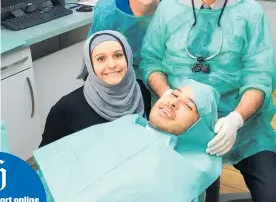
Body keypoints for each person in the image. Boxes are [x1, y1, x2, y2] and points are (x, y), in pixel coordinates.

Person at [140, 0, 276, 202]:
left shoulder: (250, 14)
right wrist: (166, 92)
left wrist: (236, 119)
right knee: (196, 194)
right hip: (181, 124)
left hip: (242, 126)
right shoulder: (168, 10)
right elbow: (151, 61)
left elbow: (259, 77)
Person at [34, 80, 222, 202]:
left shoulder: (184, 175)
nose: (173, 102)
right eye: (174, 94)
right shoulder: (124, 125)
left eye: (188, 105)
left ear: (199, 125)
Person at [40, 30, 151, 147]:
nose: (112, 65)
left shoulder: (143, 91)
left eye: (118, 55)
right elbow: (48, 156)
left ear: (128, 57)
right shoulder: (65, 110)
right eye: (101, 59)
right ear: (90, 64)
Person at [85, 0, 167, 78]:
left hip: (165, 80)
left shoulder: (176, 11)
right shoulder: (107, 12)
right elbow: (94, 57)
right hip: (120, 80)